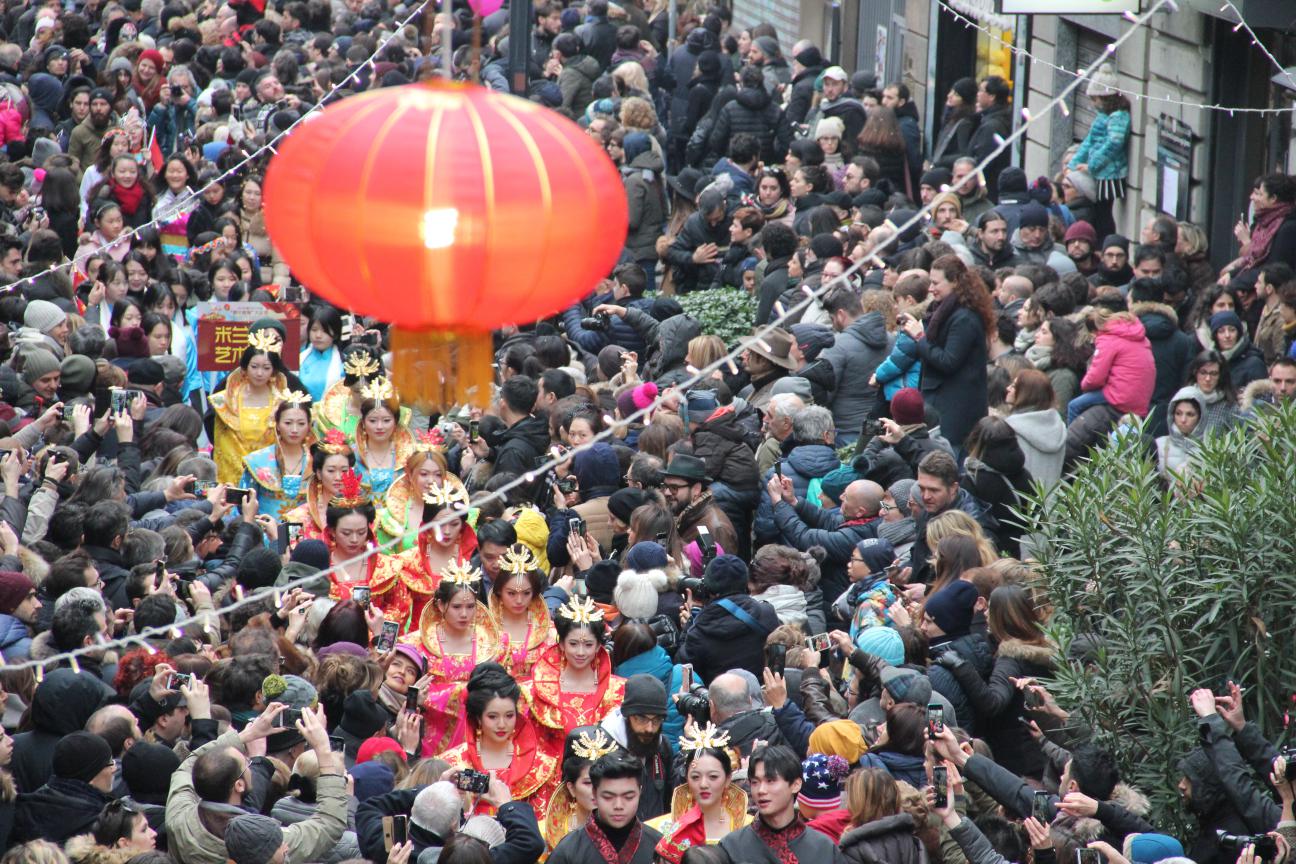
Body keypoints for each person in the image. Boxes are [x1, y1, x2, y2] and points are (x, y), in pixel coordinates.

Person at [165, 704, 348, 863]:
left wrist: (246, 735)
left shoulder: (179, 815)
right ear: (239, 785)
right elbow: (329, 824)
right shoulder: (263, 841)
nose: (250, 762)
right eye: (247, 763)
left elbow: (188, 765)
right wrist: (323, 750)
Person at [401, 562, 505, 755]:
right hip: (430, 736)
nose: (464, 614)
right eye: (457, 607)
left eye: (470, 606)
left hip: (478, 731)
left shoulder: (493, 643)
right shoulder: (416, 644)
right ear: (440, 605)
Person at [900, 255, 995, 450]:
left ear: (955, 282)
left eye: (935, 283)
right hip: (942, 404)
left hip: (956, 411)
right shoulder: (943, 310)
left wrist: (920, 338)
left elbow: (948, 361)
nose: (930, 288)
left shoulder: (964, 318)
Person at [441, 664, 558, 816]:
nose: (502, 724)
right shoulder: (453, 763)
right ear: (478, 718)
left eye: (509, 715)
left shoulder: (540, 766)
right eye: (492, 716)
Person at [718, 744, 845, 864]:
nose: (761, 790)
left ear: (796, 785)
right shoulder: (731, 847)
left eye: (770, 781)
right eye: (755, 782)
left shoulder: (823, 848)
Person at [531, 597, 627, 753]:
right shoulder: (538, 689)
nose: (580, 652)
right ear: (561, 644)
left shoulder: (619, 689)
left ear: (598, 647)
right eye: (573, 644)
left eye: (588, 644)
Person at [648, 724, 750, 860]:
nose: (703, 784)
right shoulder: (660, 829)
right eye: (695, 777)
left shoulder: (749, 828)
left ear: (728, 779)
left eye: (713, 777)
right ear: (686, 779)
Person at [677, 555, 779, 685]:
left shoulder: (698, 632)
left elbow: (683, 669)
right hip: (765, 696)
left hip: (721, 700)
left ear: (707, 588)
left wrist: (688, 626)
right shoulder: (767, 613)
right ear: (747, 582)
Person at [547, 751, 662, 864]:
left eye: (628, 797)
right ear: (595, 793)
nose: (618, 806)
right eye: (608, 797)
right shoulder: (568, 851)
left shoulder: (659, 846)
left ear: (640, 792)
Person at [209, 337, 289, 485]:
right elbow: (223, 448)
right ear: (244, 368)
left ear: (273, 371)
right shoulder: (225, 402)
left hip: (270, 476)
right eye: (254, 366)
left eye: (266, 368)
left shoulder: (283, 402)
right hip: (233, 476)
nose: (259, 373)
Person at [598, 673, 674, 820]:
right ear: (627, 715)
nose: (650, 729)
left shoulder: (662, 747)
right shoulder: (601, 747)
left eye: (657, 720)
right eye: (642, 719)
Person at [1067, 65, 1130, 240]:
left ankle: (1104, 242)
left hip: (1110, 174)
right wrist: (1073, 163)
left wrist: (1092, 165)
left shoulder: (1118, 116)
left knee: (1104, 212)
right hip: (1101, 171)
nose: (1093, 104)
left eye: (1095, 99)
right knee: (1100, 210)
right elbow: (1088, 141)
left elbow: (1114, 143)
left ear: (1106, 98)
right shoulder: (1103, 116)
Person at [541, 726, 620, 851]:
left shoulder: (627, 832)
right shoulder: (544, 834)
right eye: (588, 783)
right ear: (571, 788)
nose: (597, 790)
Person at [489, 544, 558, 678]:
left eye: (526, 593)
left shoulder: (549, 631)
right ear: (499, 591)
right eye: (511, 593)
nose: (519, 600)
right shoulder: (486, 629)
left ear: (534, 593)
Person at [1003, 369, 1066, 488]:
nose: (1008, 388)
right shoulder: (1060, 427)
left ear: (1026, 393)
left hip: (1022, 503)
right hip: (1052, 503)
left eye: (1014, 386)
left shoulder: (1010, 428)